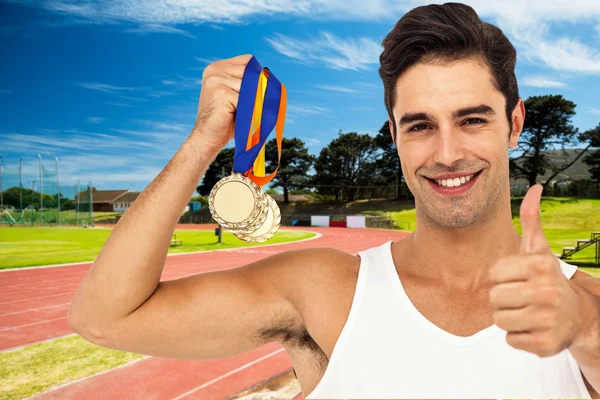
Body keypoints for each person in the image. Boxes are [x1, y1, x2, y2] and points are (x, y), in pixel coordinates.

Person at [67, 2, 600, 399]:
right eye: (419, 125)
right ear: (394, 135)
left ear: (515, 123)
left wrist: (583, 329)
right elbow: (105, 317)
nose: (446, 152)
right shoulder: (324, 290)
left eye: (472, 119)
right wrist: (203, 140)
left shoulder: (588, 307)